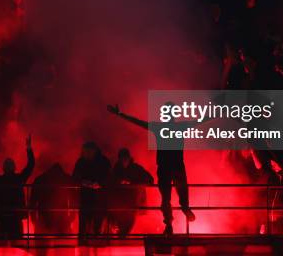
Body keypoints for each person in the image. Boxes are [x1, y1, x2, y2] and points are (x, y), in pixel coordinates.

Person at [107, 104, 196, 235]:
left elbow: (138, 122)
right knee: (181, 192)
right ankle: (184, 209)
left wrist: (120, 114)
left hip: (165, 167)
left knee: (166, 198)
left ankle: (170, 223)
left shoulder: (160, 127)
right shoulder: (179, 127)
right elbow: (200, 121)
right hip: (176, 166)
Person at [0, 134, 35, 241]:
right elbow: (31, 165)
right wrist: (28, 148)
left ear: (3, 168)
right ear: (14, 167)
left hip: (1, 219)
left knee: (1, 246)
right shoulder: (19, 179)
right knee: (17, 246)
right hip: (15, 219)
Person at [108, 148, 153, 237]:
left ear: (129, 158)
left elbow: (150, 180)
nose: (124, 160)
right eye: (122, 158)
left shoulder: (136, 169)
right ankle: (121, 238)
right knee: (120, 223)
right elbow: (110, 182)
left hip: (133, 202)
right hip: (120, 203)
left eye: (125, 158)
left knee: (128, 223)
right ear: (119, 159)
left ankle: (121, 238)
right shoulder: (116, 169)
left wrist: (132, 183)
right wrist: (119, 182)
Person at [72, 142, 111, 243]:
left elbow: (110, 177)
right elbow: (74, 177)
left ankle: (97, 240)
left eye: (88, 151)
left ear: (94, 151)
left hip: (99, 197)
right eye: (85, 151)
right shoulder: (81, 162)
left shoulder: (103, 162)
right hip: (86, 196)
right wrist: (83, 182)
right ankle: (84, 240)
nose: (86, 153)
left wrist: (100, 184)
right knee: (85, 219)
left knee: (98, 220)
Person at [30, 163, 76, 235]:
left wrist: (34, 220)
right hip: (62, 218)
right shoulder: (67, 179)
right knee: (62, 242)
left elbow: (32, 202)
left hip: (44, 218)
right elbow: (73, 199)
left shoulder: (40, 180)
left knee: (42, 242)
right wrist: (71, 218)